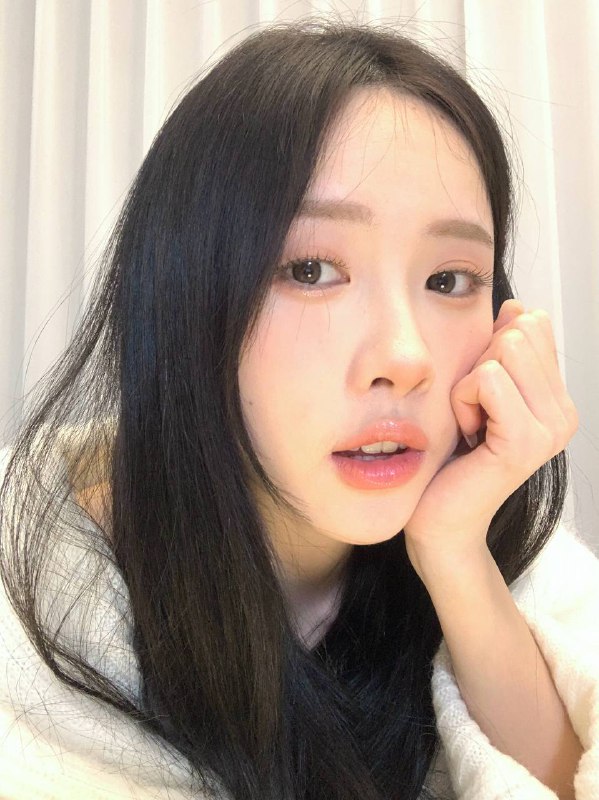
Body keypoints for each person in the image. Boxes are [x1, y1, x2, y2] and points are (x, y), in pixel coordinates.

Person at [1, 18, 598, 800]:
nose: (404, 357)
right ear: (188, 293)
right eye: (311, 269)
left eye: (448, 280)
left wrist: (454, 550)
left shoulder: (517, 560)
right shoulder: (25, 611)